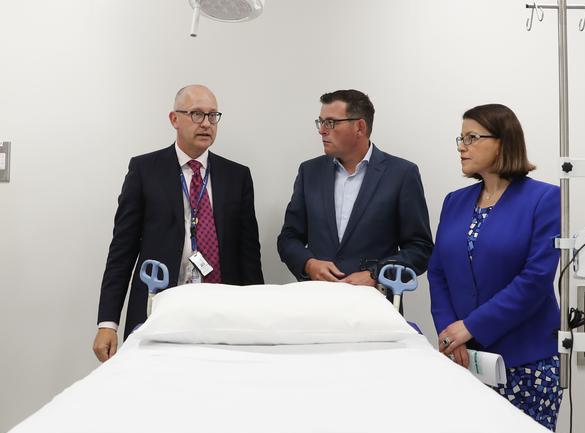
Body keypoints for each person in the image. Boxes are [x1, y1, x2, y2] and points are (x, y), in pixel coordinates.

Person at [92, 84, 264, 362]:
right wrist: (107, 323)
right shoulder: (144, 170)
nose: (206, 124)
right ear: (174, 119)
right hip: (157, 305)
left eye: (212, 116)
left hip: (223, 309)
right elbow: (121, 251)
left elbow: (249, 255)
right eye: (196, 114)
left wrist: (257, 316)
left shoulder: (237, 176)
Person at [428, 103, 562, 431]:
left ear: (502, 141)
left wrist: (471, 326)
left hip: (526, 364)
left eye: (472, 137)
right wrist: (450, 334)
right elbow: (438, 271)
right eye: (460, 138)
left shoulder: (545, 199)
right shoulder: (454, 201)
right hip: (464, 360)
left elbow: (535, 280)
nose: (462, 146)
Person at [277, 89, 432, 290]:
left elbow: (420, 248)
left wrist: (376, 274)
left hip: (374, 304)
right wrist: (309, 264)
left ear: (360, 126)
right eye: (321, 122)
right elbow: (289, 239)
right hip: (316, 302)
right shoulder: (310, 172)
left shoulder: (402, 174)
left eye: (331, 123)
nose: (322, 130)